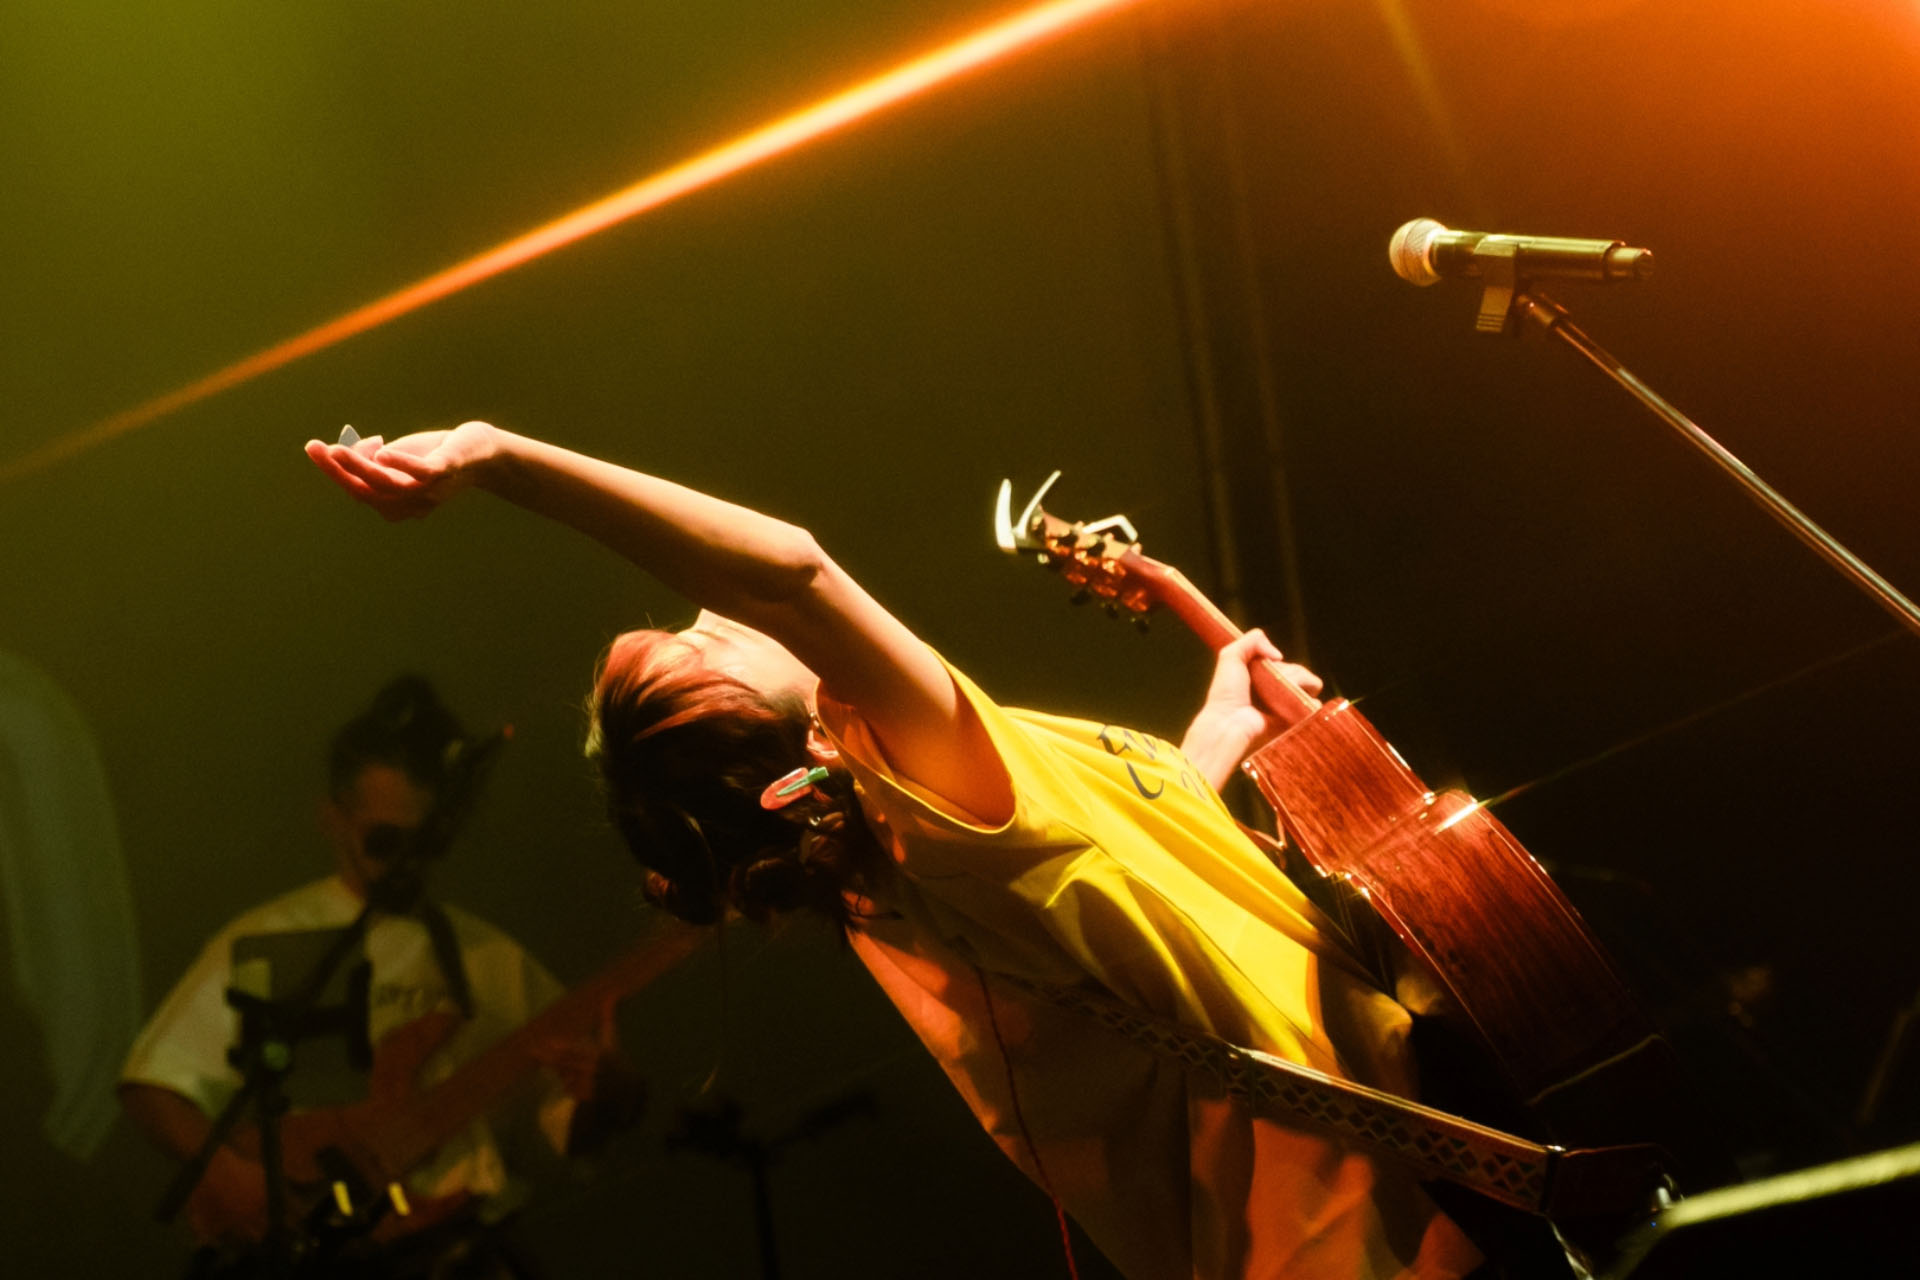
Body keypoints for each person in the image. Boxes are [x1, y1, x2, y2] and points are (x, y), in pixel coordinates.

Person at [305, 422, 1486, 1279]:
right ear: (788, 739)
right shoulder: (925, 793)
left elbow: (1107, 879)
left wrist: (1218, 729)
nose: (715, 609)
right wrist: (497, 455)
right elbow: (792, 568)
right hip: (1389, 1240)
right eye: (706, 637)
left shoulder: (930, 847)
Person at [119, 675, 638, 1277]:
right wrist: (227, 1173)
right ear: (332, 819)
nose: (407, 861)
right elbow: (153, 1083)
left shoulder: (487, 958)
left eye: (425, 842)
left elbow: (565, 1130)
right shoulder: (268, 941)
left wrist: (612, 1095)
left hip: (459, 1247)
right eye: (385, 841)